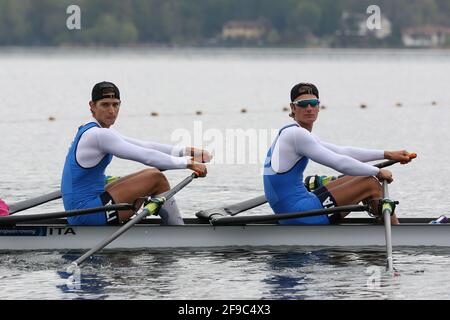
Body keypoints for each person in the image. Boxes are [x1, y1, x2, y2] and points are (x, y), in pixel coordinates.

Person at [61, 81, 210, 226]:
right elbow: (147, 156)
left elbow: (145, 146)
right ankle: (178, 233)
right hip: (85, 214)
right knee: (156, 178)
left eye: (115, 104)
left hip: (85, 207)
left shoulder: (96, 130)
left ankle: (171, 228)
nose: (111, 111)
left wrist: (186, 151)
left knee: (149, 174)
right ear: (92, 106)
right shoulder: (98, 135)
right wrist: (189, 164)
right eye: (105, 105)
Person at [263, 82, 412, 225]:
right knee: (370, 182)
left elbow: (343, 152)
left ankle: (382, 224)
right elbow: (340, 163)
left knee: (358, 176)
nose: (309, 108)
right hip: (298, 215)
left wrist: (388, 154)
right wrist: (378, 172)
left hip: (293, 208)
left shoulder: (294, 132)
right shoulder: (296, 135)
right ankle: (394, 232)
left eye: (313, 103)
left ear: (319, 106)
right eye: (302, 104)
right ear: (293, 108)